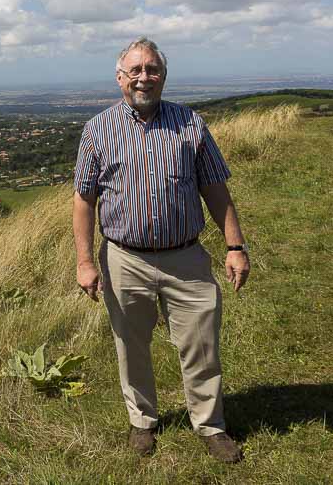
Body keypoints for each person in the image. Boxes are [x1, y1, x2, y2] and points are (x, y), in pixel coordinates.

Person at [72, 37, 250, 463]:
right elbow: (84, 199)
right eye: (135, 70)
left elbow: (215, 189)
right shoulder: (98, 129)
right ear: (119, 78)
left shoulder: (191, 124)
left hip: (185, 257)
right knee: (130, 345)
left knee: (201, 343)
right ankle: (142, 422)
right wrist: (83, 260)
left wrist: (235, 245)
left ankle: (210, 425)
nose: (144, 78)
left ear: (164, 77)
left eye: (152, 70)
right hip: (123, 258)